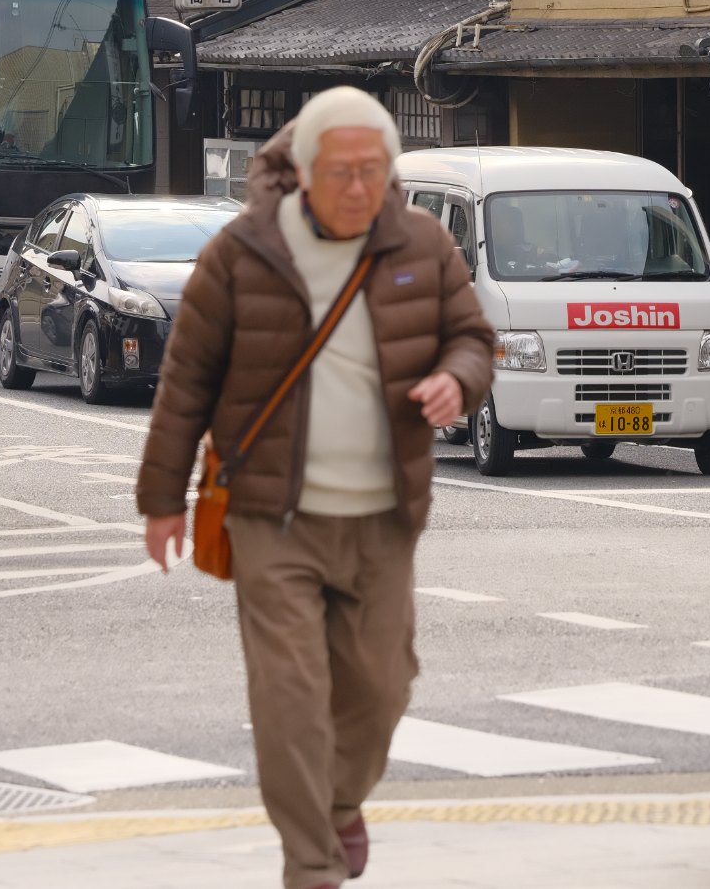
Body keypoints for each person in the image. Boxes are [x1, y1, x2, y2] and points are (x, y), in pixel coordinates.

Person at [137, 88, 494, 889]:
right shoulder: (240, 253)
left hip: (382, 513)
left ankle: (340, 801)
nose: (361, 187)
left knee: (382, 685)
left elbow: (472, 337)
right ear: (303, 172)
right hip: (272, 513)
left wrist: (454, 379)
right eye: (343, 171)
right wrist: (162, 499)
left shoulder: (423, 244)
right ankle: (311, 863)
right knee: (290, 692)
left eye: (376, 170)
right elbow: (186, 380)